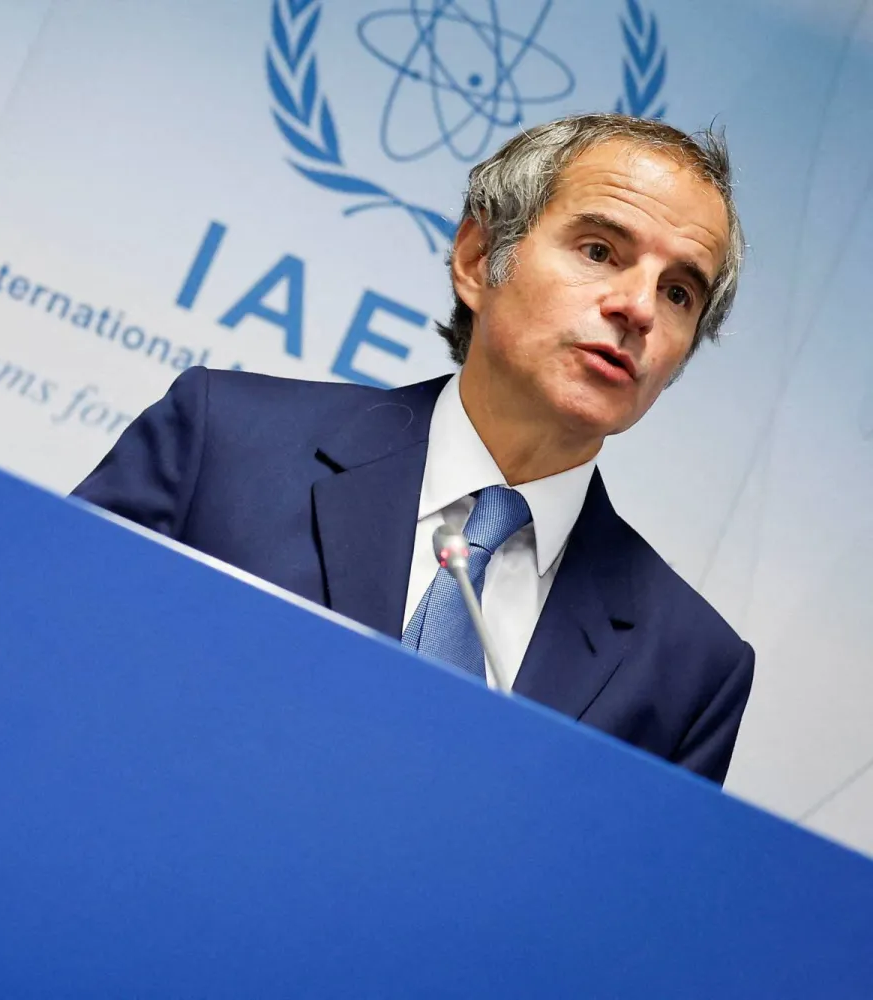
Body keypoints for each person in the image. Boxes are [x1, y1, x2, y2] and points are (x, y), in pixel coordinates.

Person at [72, 113, 752, 785]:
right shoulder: (223, 445)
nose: (637, 308)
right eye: (599, 250)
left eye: (679, 293)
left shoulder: (692, 668)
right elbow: (53, 665)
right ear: (478, 259)